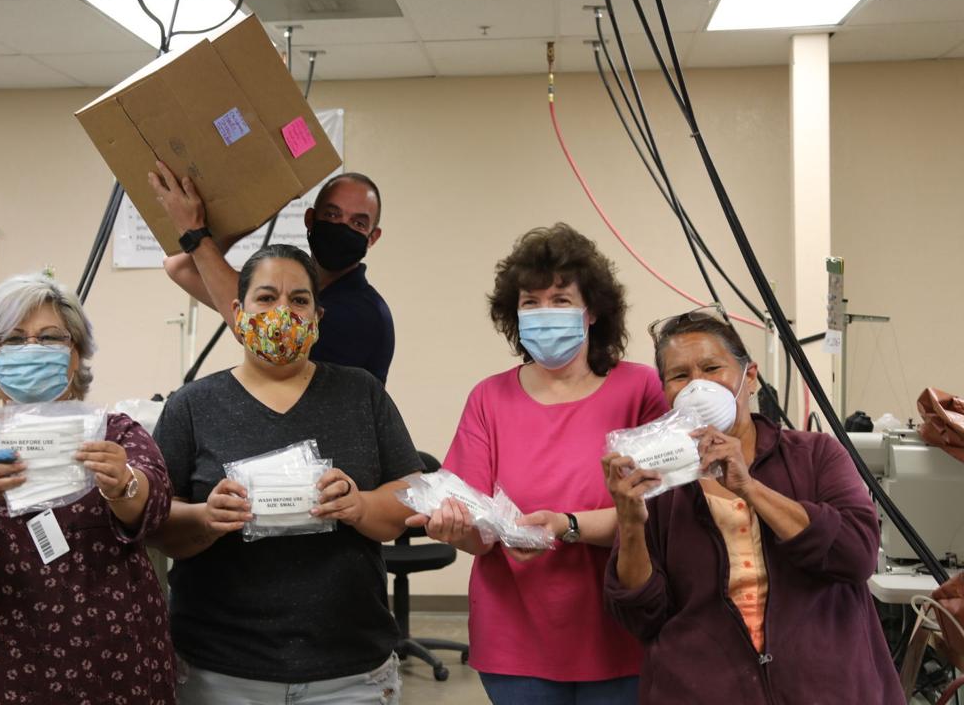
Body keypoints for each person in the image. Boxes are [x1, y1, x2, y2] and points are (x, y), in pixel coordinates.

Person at [150, 244, 422, 704]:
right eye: (266, 298)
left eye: (298, 300)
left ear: (317, 315)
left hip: (350, 671)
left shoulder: (361, 393)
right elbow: (157, 522)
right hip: (222, 670)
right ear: (238, 311)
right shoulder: (192, 405)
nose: (282, 312)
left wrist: (361, 506)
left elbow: (412, 491)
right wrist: (204, 518)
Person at [412, 224, 668, 704]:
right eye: (531, 302)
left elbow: (666, 513)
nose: (544, 314)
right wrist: (453, 528)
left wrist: (569, 526)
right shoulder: (490, 398)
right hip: (516, 638)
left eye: (560, 299)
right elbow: (475, 527)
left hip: (619, 629)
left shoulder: (640, 390)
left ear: (591, 312)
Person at [0, 272, 176, 705]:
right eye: (12, 339)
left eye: (50, 338)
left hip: (112, 668)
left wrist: (123, 484)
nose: (31, 349)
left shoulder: (113, 433)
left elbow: (154, 504)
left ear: (76, 353)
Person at [603, 307, 904, 704]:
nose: (698, 386)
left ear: (749, 376)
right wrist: (629, 522)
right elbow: (643, 617)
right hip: (703, 689)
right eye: (680, 376)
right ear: (666, 391)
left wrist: (751, 488)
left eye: (712, 368)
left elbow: (856, 554)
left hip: (825, 687)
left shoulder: (814, 455)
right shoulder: (659, 482)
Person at [149, 161, 395, 383]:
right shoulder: (300, 289)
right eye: (331, 214)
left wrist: (194, 230)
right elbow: (180, 265)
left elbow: (267, 337)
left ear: (373, 237)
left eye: (358, 223)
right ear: (310, 218)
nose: (342, 227)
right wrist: (262, 207)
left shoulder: (363, 314)